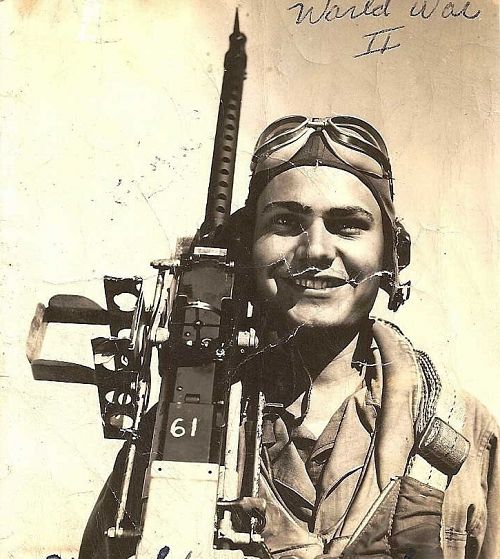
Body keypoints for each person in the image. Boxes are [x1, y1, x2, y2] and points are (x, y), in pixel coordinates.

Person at [80, 115, 499, 559]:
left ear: (391, 254)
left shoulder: (460, 430)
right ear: (246, 248)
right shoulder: (177, 433)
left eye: (347, 225)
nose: (316, 250)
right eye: (285, 223)